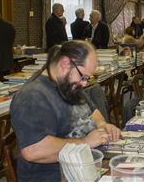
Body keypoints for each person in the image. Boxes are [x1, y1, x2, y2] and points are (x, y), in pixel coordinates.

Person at [10, 41, 121, 182]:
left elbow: (93, 111)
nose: (85, 83)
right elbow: (34, 151)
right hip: (54, 176)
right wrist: (85, 142)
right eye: (83, 76)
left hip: (88, 165)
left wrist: (103, 125)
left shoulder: (69, 84)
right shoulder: (32, 97)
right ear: (64, 64)